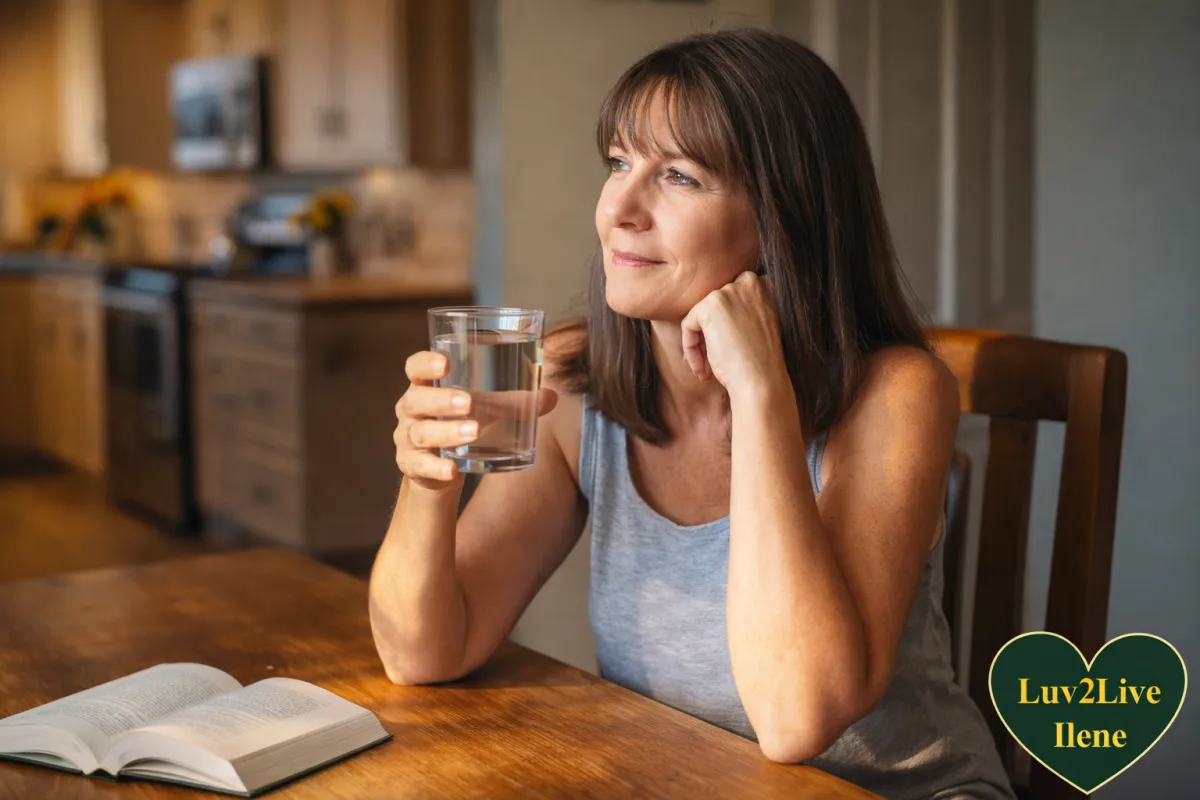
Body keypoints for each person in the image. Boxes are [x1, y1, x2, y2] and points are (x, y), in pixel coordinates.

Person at [369, 28, 1016, 800]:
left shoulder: (895, 394)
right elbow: (424, 653)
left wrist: (763, 394)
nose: (620, 210)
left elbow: (796, 720)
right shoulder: (575, 382)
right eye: (618, 163)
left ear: (784, 215)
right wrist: (427, 484)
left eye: (678, 176)